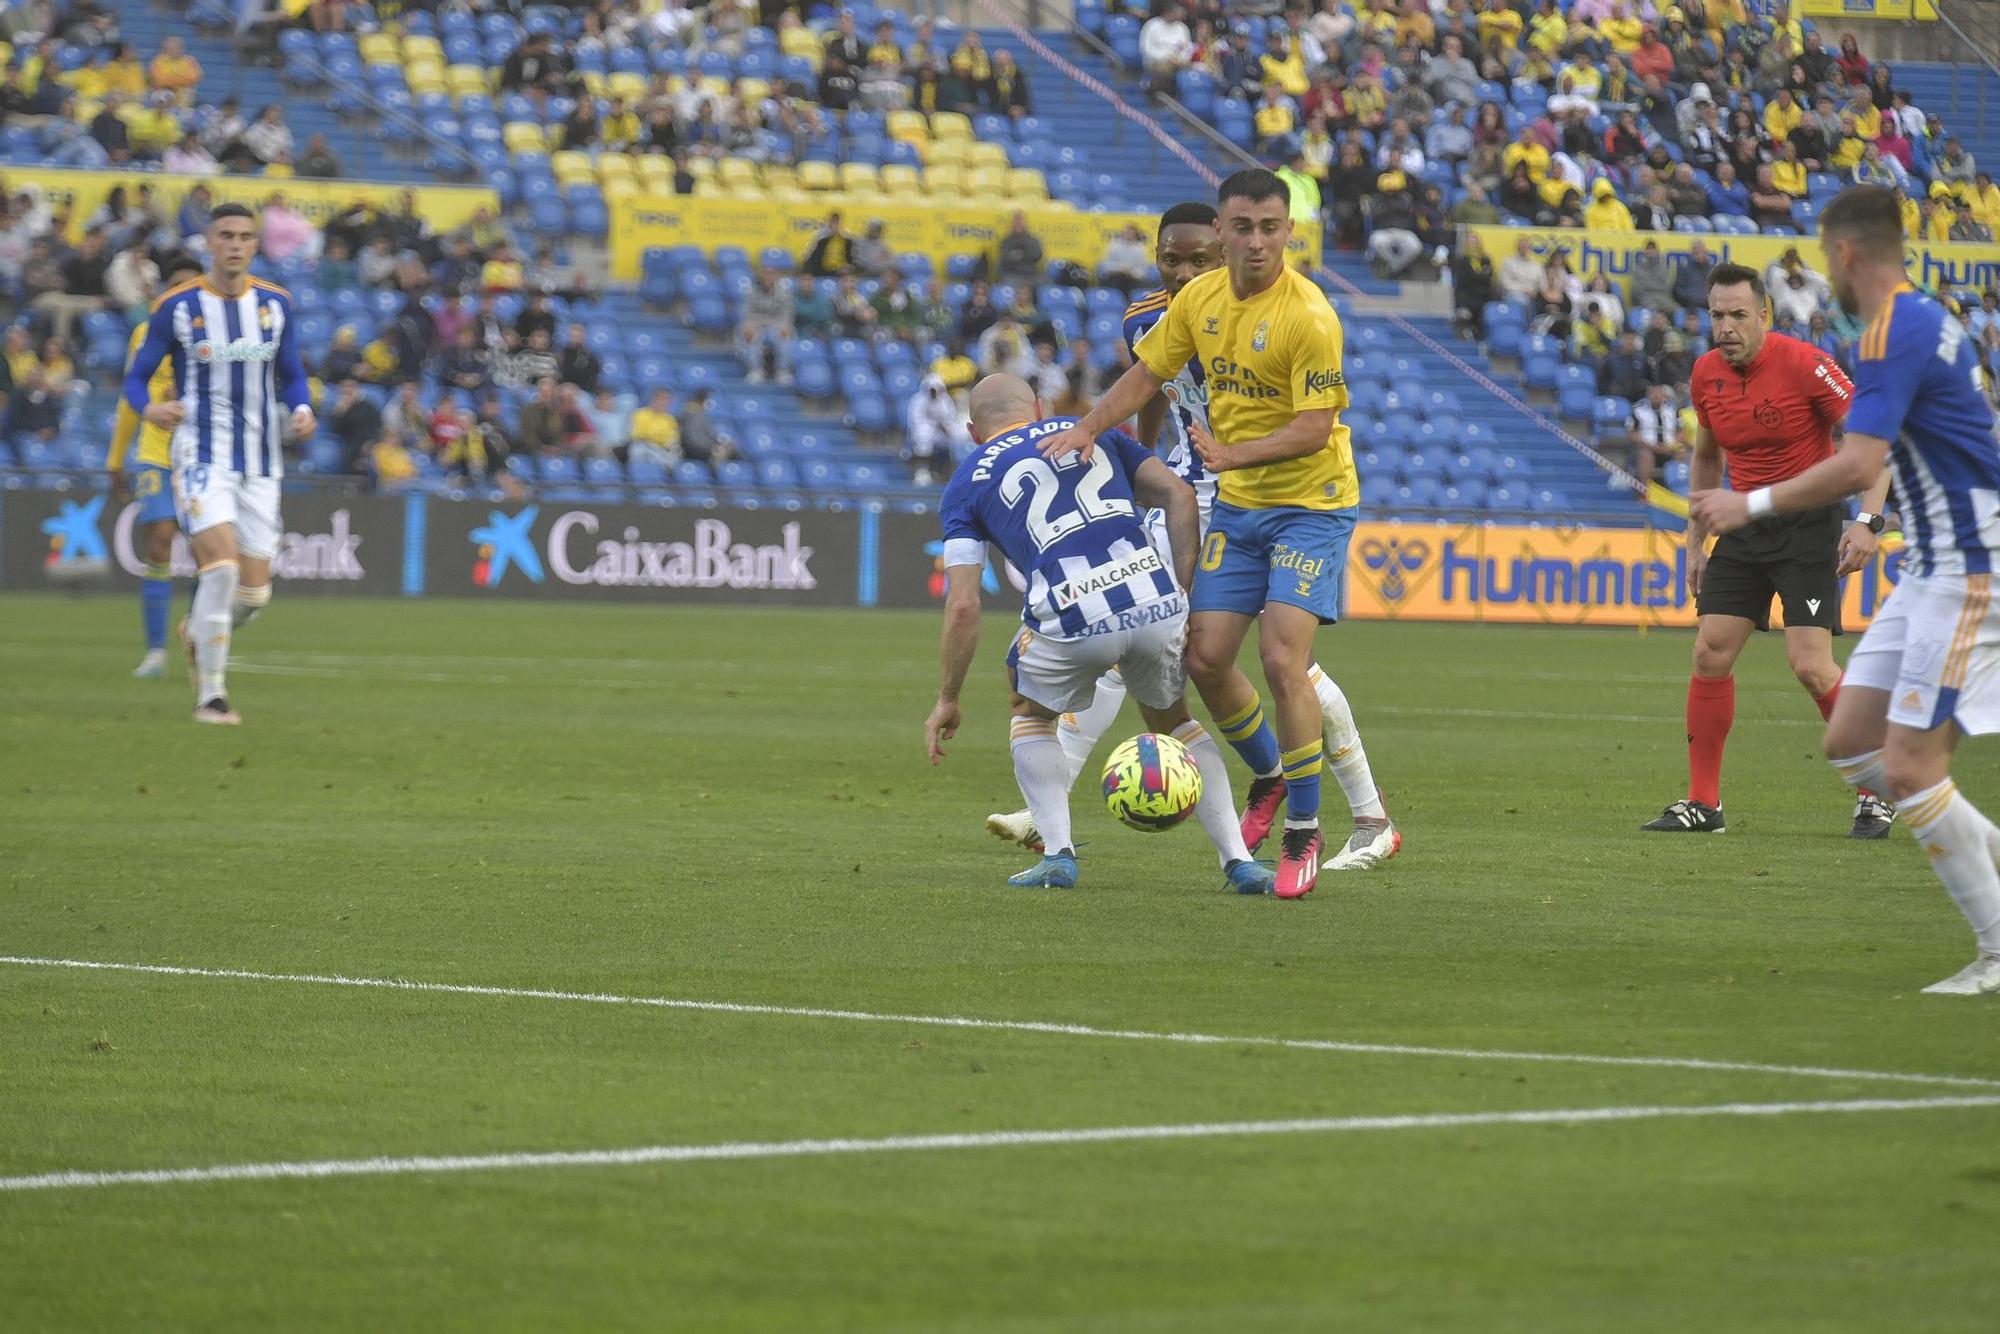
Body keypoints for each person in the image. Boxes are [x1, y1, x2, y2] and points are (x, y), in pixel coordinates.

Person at [987, 201, 1397, 873]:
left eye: (1200, 260)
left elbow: (1310, 419)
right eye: (1172, 260)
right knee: (1147, 639)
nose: (1185, 273)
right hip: (1191, 490)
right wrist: (1132, 469)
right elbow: (1151, 386)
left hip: (1266, 488)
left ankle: (1368, 813)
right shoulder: (1150, 316)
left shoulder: (1275, 311)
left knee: (1283, 658)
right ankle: (1050, 801)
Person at [1691, 184, 2000, 994]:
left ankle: (1996, 949)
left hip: (1973, 562)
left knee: (1907, 766)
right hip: (1933, 564)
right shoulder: (1915, 320)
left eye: (1823, 255)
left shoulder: (1892, 331)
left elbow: (1862, 464)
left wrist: (1746, 501)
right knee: (1850, 740)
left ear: (1845, 253)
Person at [924, 374, 1274, 896]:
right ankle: (1240, 862)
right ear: (1039, 408)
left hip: (1070, 611)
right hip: (1152, 596)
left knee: (1029, 709)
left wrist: (948, 697)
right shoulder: (1091, 429)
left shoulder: (965, 481)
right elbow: (1179, 494)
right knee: (1175, 720)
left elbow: (965, 605)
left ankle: (1058, 855)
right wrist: (1181, 589)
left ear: (974, 431)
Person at [1644, 261, 1896, 839]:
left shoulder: (1806, 363)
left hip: (1807, 525)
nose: (1725, 326)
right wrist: (1695, 541)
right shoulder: (1706, 373)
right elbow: (1707, 459)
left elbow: (1871, 446)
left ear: (1764, 315)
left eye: (1737, 315)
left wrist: (1867, 523)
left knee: (1809, 665)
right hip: (1742, 523)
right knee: (1710, 652)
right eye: (1716, 315)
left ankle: (1874, 787)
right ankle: (1704, 805)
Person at [121, 204, 315, 726]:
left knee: (253, 595)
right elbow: (136, 378)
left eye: (245, 237)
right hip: (200, 456)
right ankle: (211, 694)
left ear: (256, 245)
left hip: (260, 462)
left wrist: (301, 409)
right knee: (221, 569)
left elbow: (293, 372)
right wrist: (150, 409)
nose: (235, 244)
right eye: (225, 235)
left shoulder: (277, 305)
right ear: (210, 242)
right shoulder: (176, 307)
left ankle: (195, 631)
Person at [106, 251, 203, 679]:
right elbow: (132, 397)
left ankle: (198, 634)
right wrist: (115, 458)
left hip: (203, 456)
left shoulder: (216, 335)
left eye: (191, 286)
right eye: (176, 285)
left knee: (208, 553)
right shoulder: (147, 333)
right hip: (155, 454)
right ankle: (155, 653)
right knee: (160, 540)